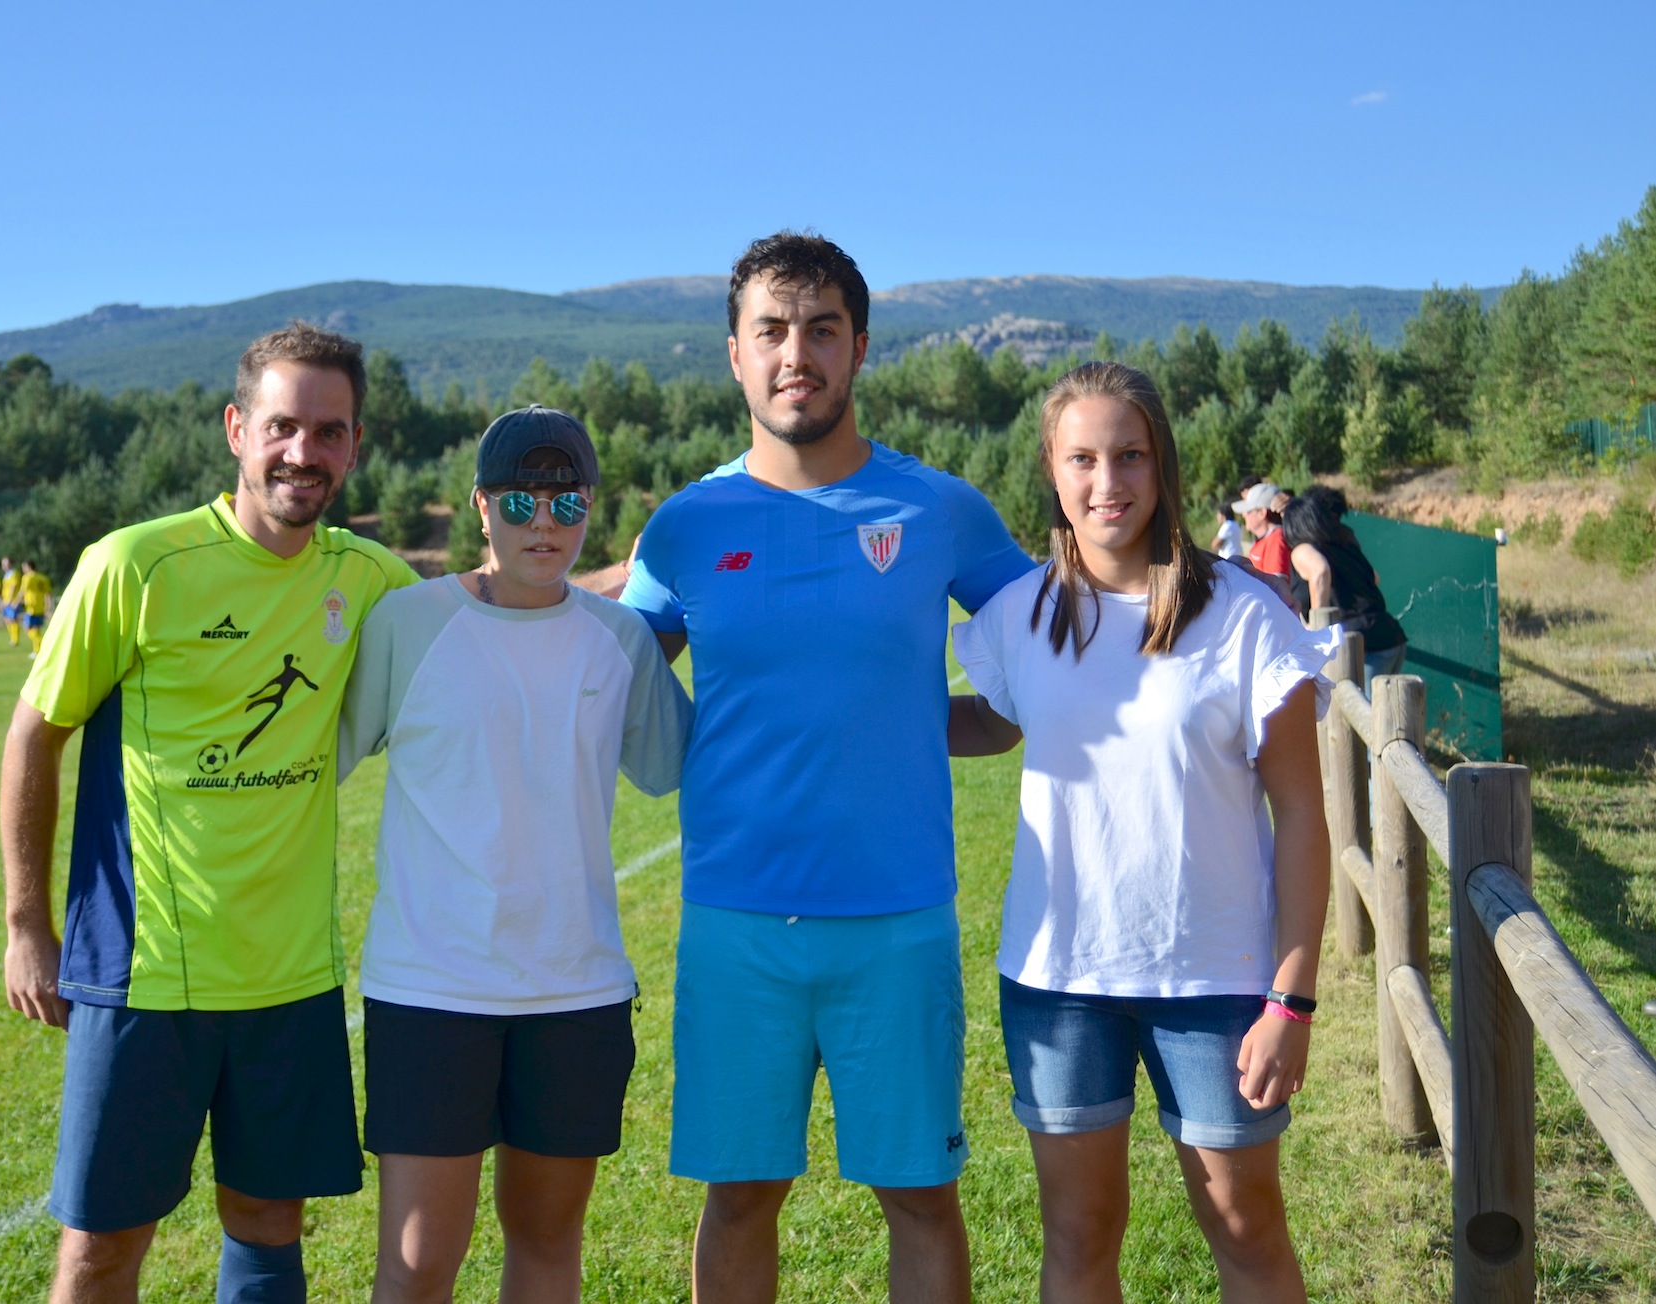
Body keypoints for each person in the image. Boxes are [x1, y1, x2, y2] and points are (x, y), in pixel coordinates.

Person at [619, 232, 1037, 1304]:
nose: (794, 352)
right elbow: (602, 678)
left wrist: (930, 723)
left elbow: (1048, 656)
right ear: (733, 353)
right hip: (735, 923)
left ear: (857, 348)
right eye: (770, 330)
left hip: (897, 922)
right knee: (741, 1195)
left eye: (819, 329)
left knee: (921, 1199)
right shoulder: (685, 525)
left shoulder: (938, 509)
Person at [0, 322, 416, 1304]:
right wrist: (26, 924)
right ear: (237, 428)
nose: (301, 452)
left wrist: (624, 582)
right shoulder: (134, 565)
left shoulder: (368, 579)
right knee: (101, 1245)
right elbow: (34, 736)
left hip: (289, 980)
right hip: (142, 976)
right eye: (281, 425)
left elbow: (489, 614)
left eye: (327, 431)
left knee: (270, 1226)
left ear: (354, 445)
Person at [952, 361, 1331, 1302]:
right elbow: (994, 721)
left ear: (1161, 466)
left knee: (1243, 1227)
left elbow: (1303, 818)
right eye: (1081, 458)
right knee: (1078, 1236)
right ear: (1051, 467)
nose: (1105, 482)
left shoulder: (1245, 619)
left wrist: (1291, 1000)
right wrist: (832, 703)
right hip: (1057, 982)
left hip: (1217, 982)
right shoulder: (1019, 615)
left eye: (1128, 456)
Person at [340, 405, 691, 1304]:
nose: (545, 524)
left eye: (567, 503)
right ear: (481, 506)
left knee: (545, 1242)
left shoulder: (621, 643)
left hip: (574, 991)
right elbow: (317, 762)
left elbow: (678, 765)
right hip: (431, 987)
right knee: (419, 1262)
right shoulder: (405, 624)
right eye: (522, 502)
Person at [1283, 485, 1407, 683]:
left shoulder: (1303, 549)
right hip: (1390, 636)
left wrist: (1317, 626)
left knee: (1362, 710)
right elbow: (1374, 577)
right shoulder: (1344, 545)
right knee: (1382, 711)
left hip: (1364, 645)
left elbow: (1320, 571)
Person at [1235, 481, 1290, 579]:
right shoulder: (1266, 538)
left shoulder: (1276, 539)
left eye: (1248, 511)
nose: (1243, 514)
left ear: (1261, 513)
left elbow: (1276, 585)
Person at [19, 560, 53, 657]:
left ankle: (42, 644)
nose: (23, 570)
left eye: (24, 567)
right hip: (40, 606)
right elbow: (48, 593)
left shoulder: (27, 577)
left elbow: (22, 591)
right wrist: (48, 606)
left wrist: (15, 603)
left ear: (28, 567)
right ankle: (36, 651)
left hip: (31, 607)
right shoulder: (43, 578)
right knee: (36, 629)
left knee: (27, 628)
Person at [2, 555, 24, 647]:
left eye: (5, 564)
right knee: (7, 619)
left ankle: (15, 639)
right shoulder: (6, 575)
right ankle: (12, 637)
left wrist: (10, 599)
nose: (3, 566)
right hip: (6, 600)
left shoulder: (14, 574)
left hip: (12, 601)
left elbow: (13, 587)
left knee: (13, 619)